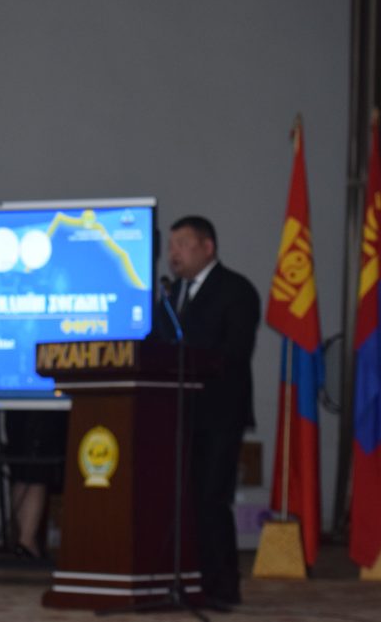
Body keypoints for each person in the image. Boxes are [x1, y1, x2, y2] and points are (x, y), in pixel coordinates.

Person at [152, 215, 260, 607]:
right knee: (179, 501)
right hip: (176, 414)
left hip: (218, 415)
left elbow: (234, 352)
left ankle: (220, 587)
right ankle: (182, 581)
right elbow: (155, 347)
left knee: (211, 500)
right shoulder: (171, 295)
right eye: (171, 246)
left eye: (182, 244)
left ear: (207, 247)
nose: (173, 253)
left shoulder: (236, 290)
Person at [5, 409, 67, 561]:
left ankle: (25, 541)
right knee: (33, 471)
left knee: (24, 471)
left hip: (24, 406)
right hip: (37, 408)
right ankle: (26, 542)